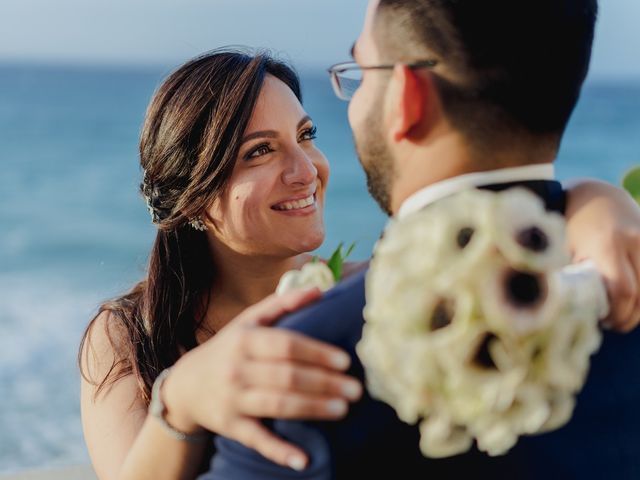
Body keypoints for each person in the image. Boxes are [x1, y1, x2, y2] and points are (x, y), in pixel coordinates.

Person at [81, 48, 637, 480]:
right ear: (195, 196)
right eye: (260, 151)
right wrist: (180, 402)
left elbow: (489, 234)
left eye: (305, 136)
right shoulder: (127, 336)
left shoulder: (365, 291)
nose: (307, 170)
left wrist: (595, 202)